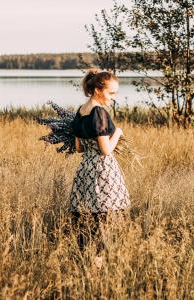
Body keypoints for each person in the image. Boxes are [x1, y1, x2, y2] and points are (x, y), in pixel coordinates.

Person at [69, 69, 130, 265]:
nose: (114, 97)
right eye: (111, 93)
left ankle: (86, 259)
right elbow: (106, 150)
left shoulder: (80, 111)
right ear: (97, 90)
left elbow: (78, 148)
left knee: (88, 216)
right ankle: (98, 262)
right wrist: (118, 133)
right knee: (104, 218)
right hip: (103, 171)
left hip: (85, 169)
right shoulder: (99, 112)